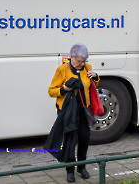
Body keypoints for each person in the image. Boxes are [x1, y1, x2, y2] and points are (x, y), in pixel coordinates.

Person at [47, 43, 99, 183]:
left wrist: (95, 76)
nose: (82, 64)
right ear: (71, 57)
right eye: (79, 61)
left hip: (84, 110)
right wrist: (64, 89)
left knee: (84, 139)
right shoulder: (62, 70)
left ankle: (81, 168)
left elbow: (90, 86)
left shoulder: (87, 68)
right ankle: (70, 170)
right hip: (68, 112)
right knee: (70, 140)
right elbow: (51, 91)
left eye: (84, 61)